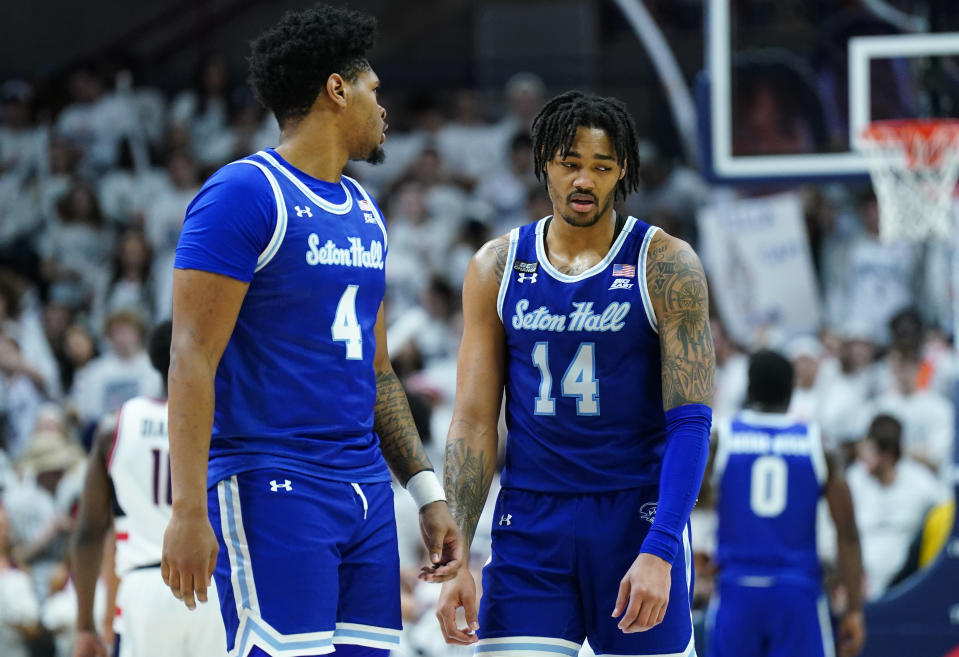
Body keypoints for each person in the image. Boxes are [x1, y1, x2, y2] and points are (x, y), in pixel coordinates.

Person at [159, 6, 462, 657]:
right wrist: (187, 509)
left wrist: (426, 492)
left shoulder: (364, 210)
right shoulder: (244, 193)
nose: (384, 109)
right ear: (336, 88)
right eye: (374, 90)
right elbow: (190, 359)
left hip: (365, 494)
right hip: (272, 480)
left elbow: (379, 375)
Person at [436, 90, 715, 656]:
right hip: (531, 523)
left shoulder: (665, 264)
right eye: (569, 164)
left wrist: (661, 550)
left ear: (623, 172)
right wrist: (458, 548)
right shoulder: (495, 266)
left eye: (601, 166)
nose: (583, 181)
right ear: (543, 162)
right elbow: (471, 422)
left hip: (634, 518)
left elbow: (691, 423)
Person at [71, 320, 226, 657]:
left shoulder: (114, 426)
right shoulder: (224, 419)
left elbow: (88, 531)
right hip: (214, 583)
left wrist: (84, 625)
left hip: (145, 589)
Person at [707, 350, 865, 657]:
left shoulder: (720, 439)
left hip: (737, 589)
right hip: (796, 591)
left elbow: (687, 501)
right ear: (792, 390)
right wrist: (855, 609)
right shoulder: (820, 443)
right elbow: (847, 532)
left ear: (749, 388)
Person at [846, 414, 946, 599]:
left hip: (905, 584)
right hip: (855, 580)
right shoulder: (854, 480)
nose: (862, 455)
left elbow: (948, 513)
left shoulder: (920, 481)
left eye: (870, 450)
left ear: (888, 456)